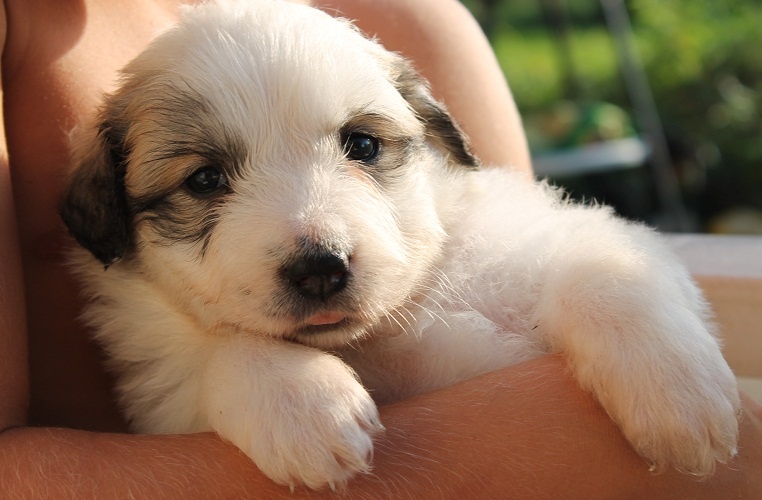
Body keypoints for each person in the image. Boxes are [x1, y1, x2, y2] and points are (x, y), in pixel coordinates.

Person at [0, 0, 759, 497]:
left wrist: (619, 306)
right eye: (205, 180)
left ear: (432, 139)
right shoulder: (183, 354)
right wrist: (238, 370)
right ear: (111, 219)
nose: (313, 245)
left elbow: (591, 250)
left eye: (361, 146)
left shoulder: (477, 203)